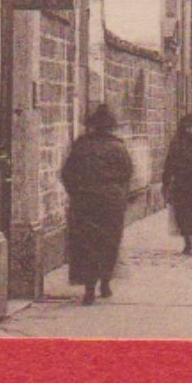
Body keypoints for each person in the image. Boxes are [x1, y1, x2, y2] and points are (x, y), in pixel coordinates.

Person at [61, 105, 134, 305]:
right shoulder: (118, 147)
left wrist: (75, 193)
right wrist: (120, 195)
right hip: (111, 201)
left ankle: (89, 288)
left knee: (86, 242)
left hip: (85, 200)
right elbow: (127, 174)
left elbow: (67, 173)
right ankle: (105, 281)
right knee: (109, 242)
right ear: (111, 127)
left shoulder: (81, 146)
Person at [162, 115, 192, 256]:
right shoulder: (177, 142)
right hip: (182, 184)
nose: (190, 130)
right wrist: (166, 181)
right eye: (187, 127)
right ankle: (188, 244)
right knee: (182, 214)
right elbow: (169, 162)